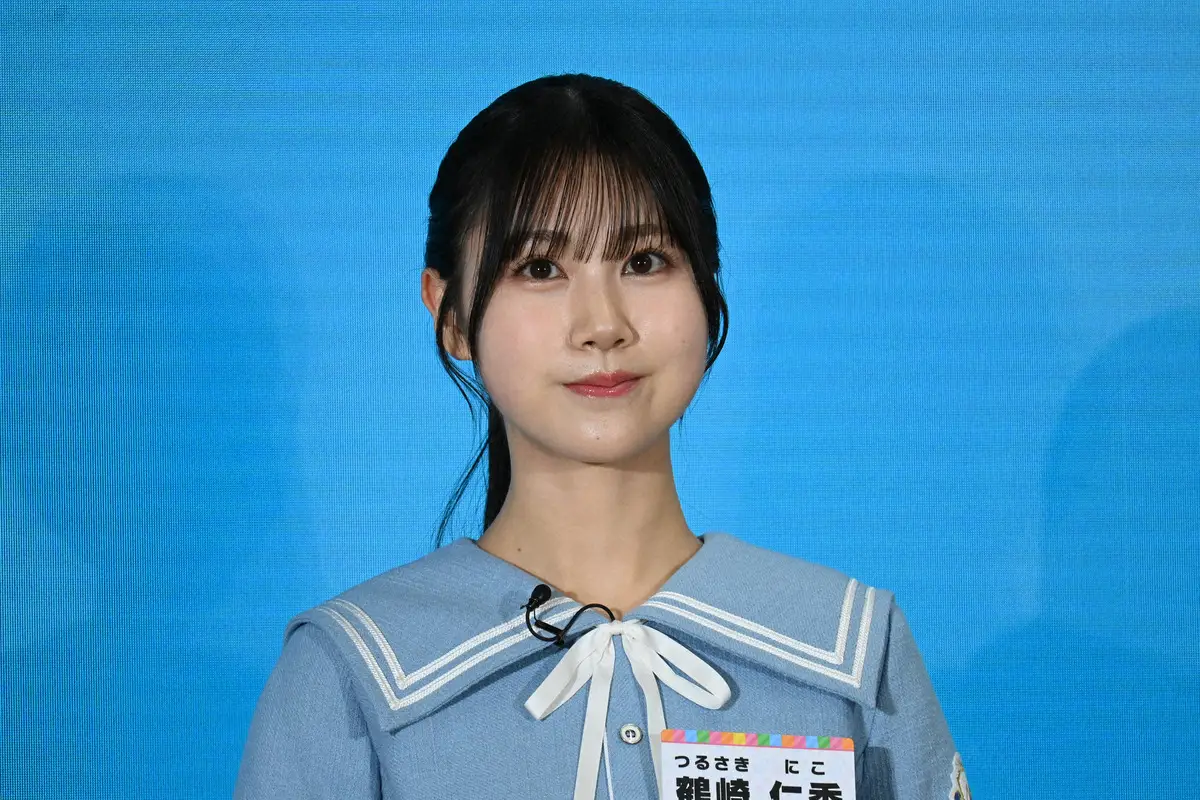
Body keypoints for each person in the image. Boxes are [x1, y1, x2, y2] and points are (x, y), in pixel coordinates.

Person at [234, 73, 965, 800]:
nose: (603, 325)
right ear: (449, 313)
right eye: (540, 268)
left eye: (644, 262)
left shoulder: (852, 650)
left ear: (707, 288)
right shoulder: (352, 674)